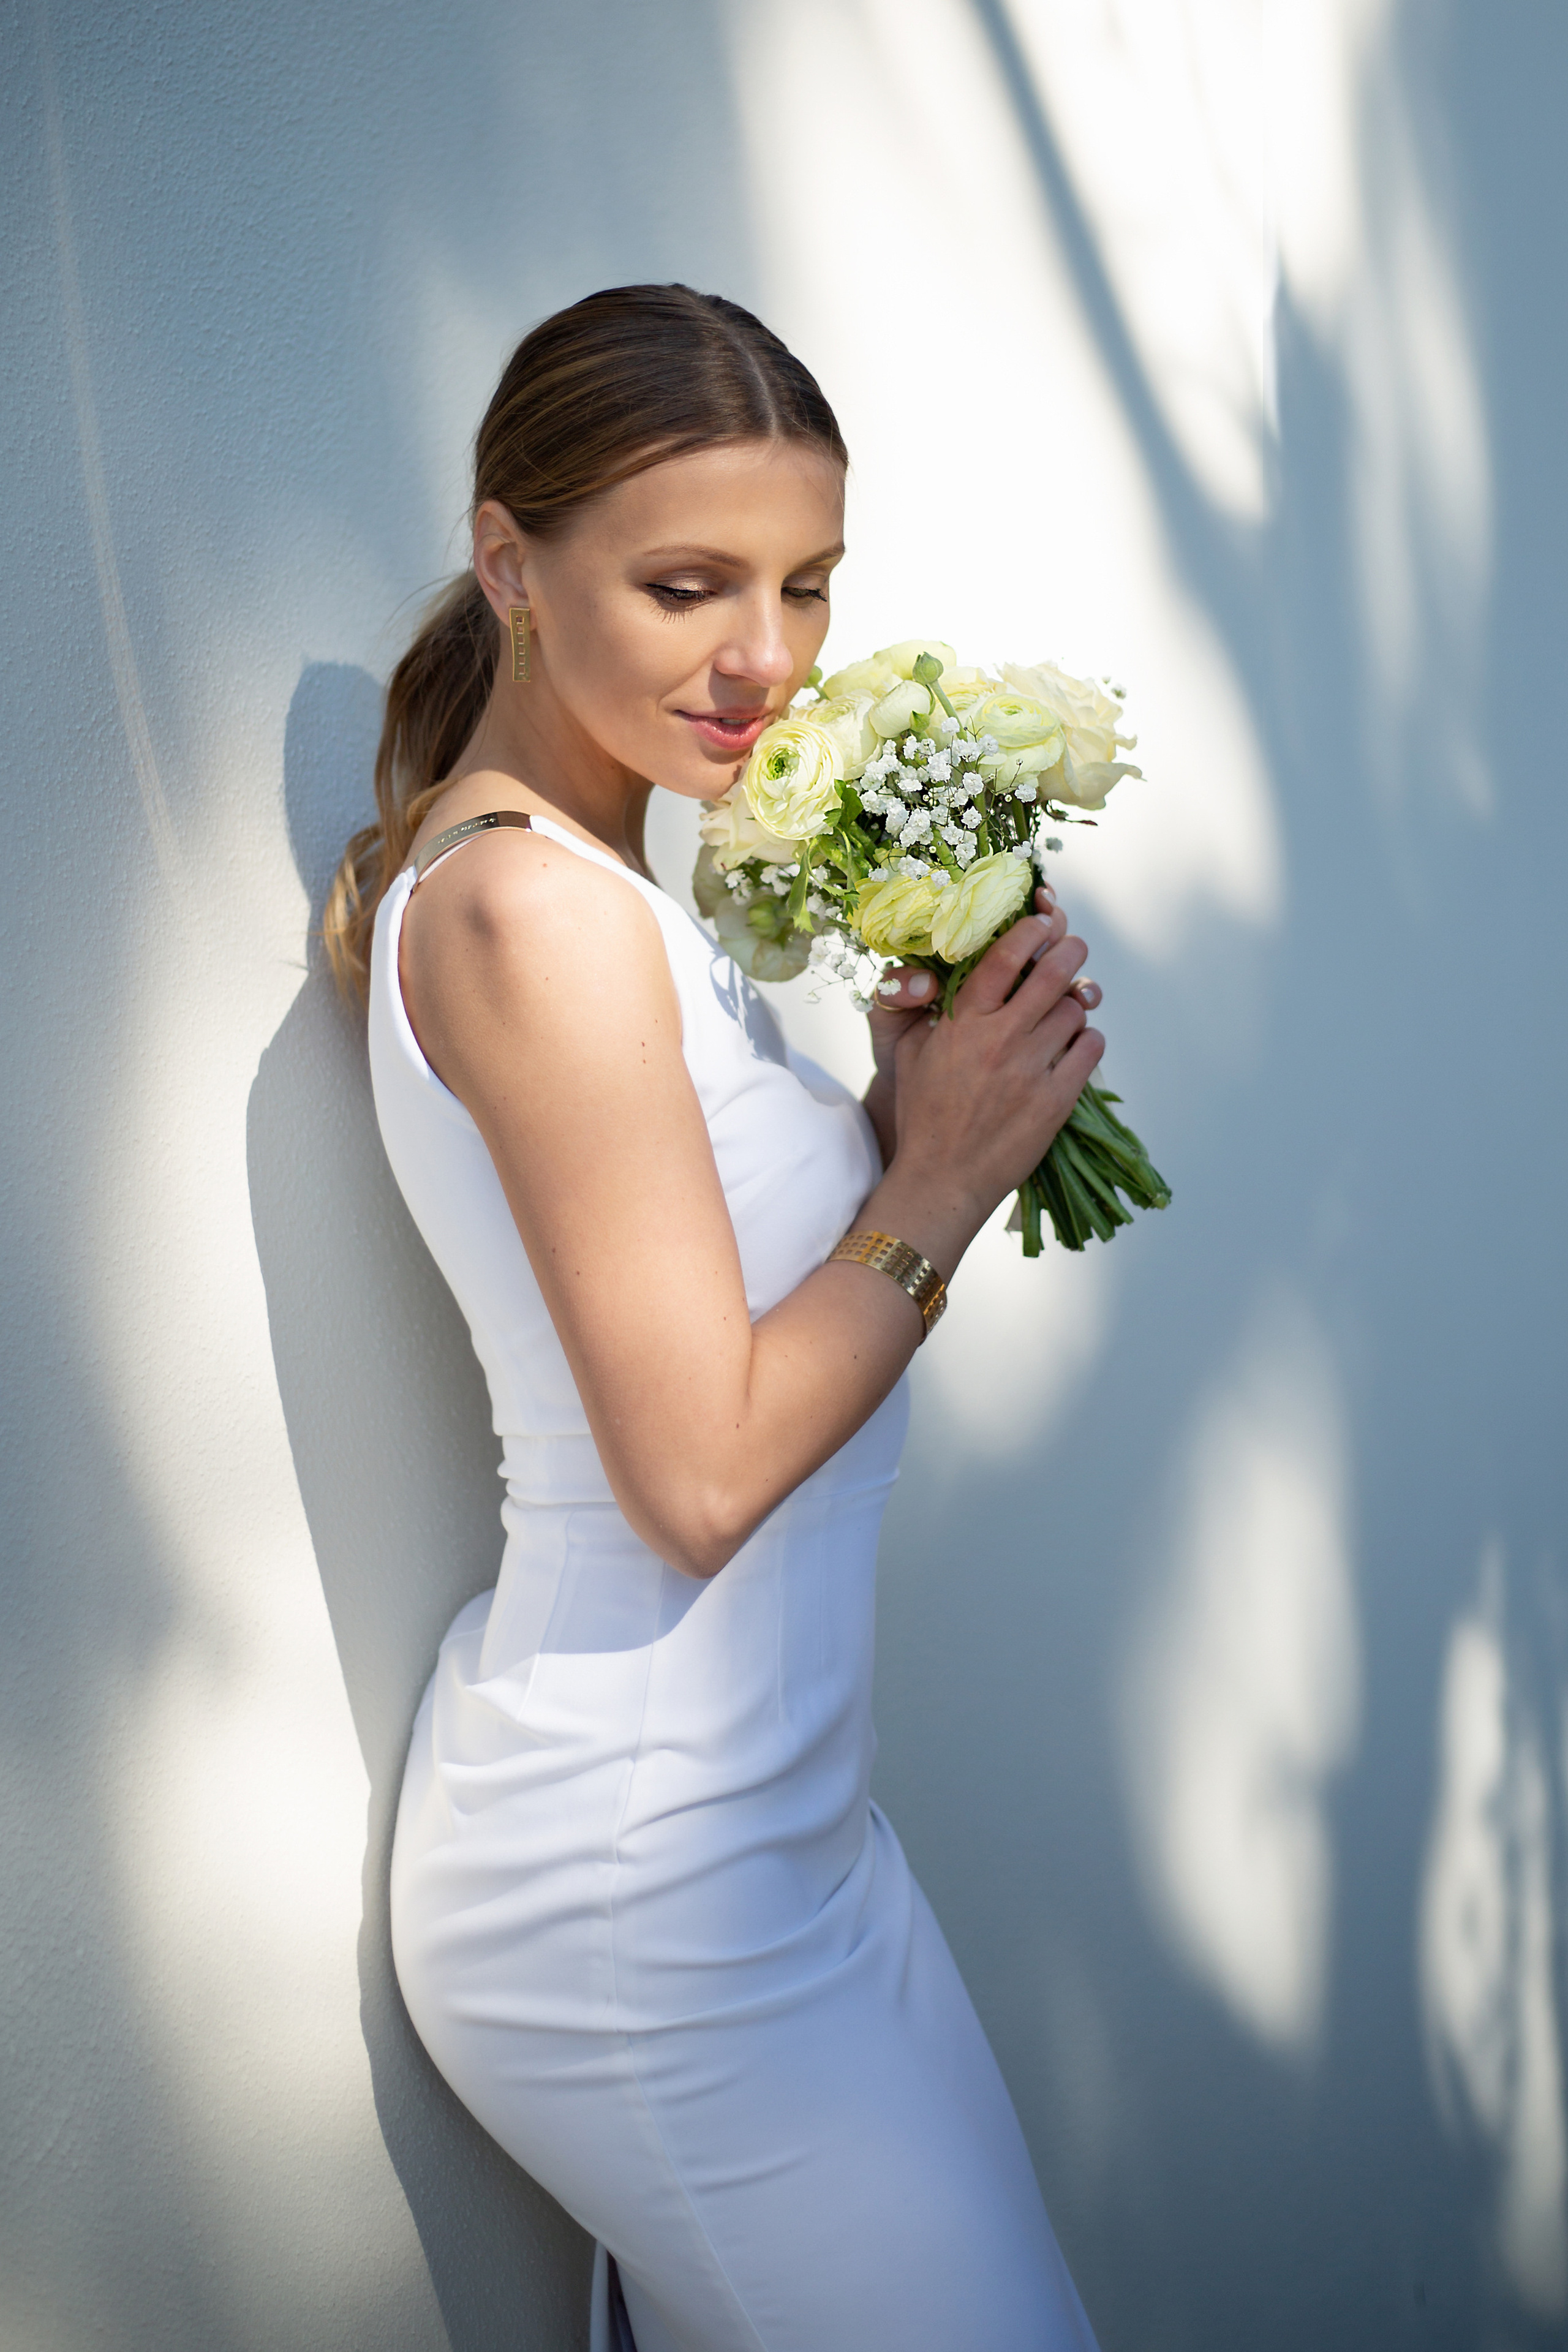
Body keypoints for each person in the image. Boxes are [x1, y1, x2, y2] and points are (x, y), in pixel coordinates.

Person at [326, 284, 1104, 2352]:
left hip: (787, 1843)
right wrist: (939, 1180)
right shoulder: (519, 913)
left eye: (805, 585)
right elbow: (692, 1471)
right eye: (687, 586)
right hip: (645, 1892)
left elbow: (735, 1307)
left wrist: (901, 1115)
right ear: (511, 561)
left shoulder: (614, 906)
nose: (764, 660)